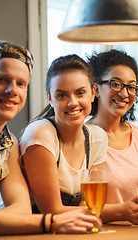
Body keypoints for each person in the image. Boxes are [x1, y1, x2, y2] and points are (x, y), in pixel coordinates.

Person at [0, 40, 101, 236]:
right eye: (1, 80)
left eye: (21, 83)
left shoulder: (8, 142)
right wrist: (52, 222)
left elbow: (21, 210)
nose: (12, 90)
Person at [87, 49, 138, 224]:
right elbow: (80, 206)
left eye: (131, 87)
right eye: (115, 84)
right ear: (96, 89)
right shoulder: (83, 136)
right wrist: (122, 213)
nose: (124, 94)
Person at [19, 54, 108, 214]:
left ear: (93, 92)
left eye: (80, 93)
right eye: (62, 95)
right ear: (50, 99)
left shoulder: (97, 138)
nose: (72, 102)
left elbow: (89, 208)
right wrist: (123, 211)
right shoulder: (40, 133)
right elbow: (52, 211)